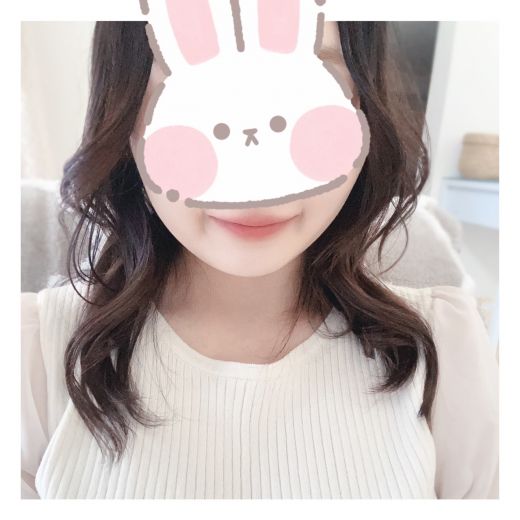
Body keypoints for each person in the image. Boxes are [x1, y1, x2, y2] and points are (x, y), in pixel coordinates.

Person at [21, 19, 498, 499]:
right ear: (125, 116)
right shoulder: (33, 358)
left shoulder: (446, 355)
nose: (255, 174)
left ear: (364, 106)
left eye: (308, 79)